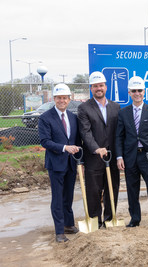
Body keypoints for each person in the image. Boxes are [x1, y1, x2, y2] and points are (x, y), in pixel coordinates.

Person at [115, 76, 148, 227]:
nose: (137, 93)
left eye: (140, 90)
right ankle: (135, 219)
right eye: (134, 91)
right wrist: (119, 156)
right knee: (132, 190)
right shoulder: (123, 113)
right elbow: (119, 136)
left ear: (144, 92)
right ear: (129, 92)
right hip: (130, 157)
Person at [38, 84, 81, 242]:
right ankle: (59, 232)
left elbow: (76, 140)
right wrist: (64, 148)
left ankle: (69, 224)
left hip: (71, 163)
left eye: (64, 98)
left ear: (70, 99)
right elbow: (45, 141)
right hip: (56, 164)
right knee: (57, 197)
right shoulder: (45, 118)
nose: (62, 100)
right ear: (53, 99)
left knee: (68, 196)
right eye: (58, 98)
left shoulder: (72, 117)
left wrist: (78, 157)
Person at [77, 71, 121, 228]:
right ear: (91, 88)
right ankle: (95, 221)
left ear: (106, 87)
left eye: (101, 85)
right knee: (93, 192)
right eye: (95, 86)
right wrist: (97, 149)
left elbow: (118, 132)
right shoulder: (84, 108)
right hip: (94, 157)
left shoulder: (116, 107)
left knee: (112, 189)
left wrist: (119, 155)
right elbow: (85, 132)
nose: (98, 88)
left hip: (112, 156)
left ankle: (110, 219)